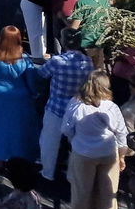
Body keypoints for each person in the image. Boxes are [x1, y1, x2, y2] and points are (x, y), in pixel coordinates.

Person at [61, 72, 127, 209]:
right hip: (108, 152)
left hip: (83, 153)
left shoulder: (76, 103)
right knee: (108, 194)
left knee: (82, 193)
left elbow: (66, 129)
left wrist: (74, 138)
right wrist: (122, 155)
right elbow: (121, 133)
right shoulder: (111, 107)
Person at [39, 30, 96, 181]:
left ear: (64, 42)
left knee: (49, 142)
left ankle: (47, 172)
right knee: (75, 144)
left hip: (56, 107)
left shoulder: (57, 61)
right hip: (77, 107)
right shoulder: (87, 62)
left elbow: (42, 73)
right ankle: (71, 175)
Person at [0, 26, 41, 167]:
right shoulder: (25, 58)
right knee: (19, 128)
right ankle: (19, 155)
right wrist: (34, 93)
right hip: (20, 98)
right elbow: (31, 80)